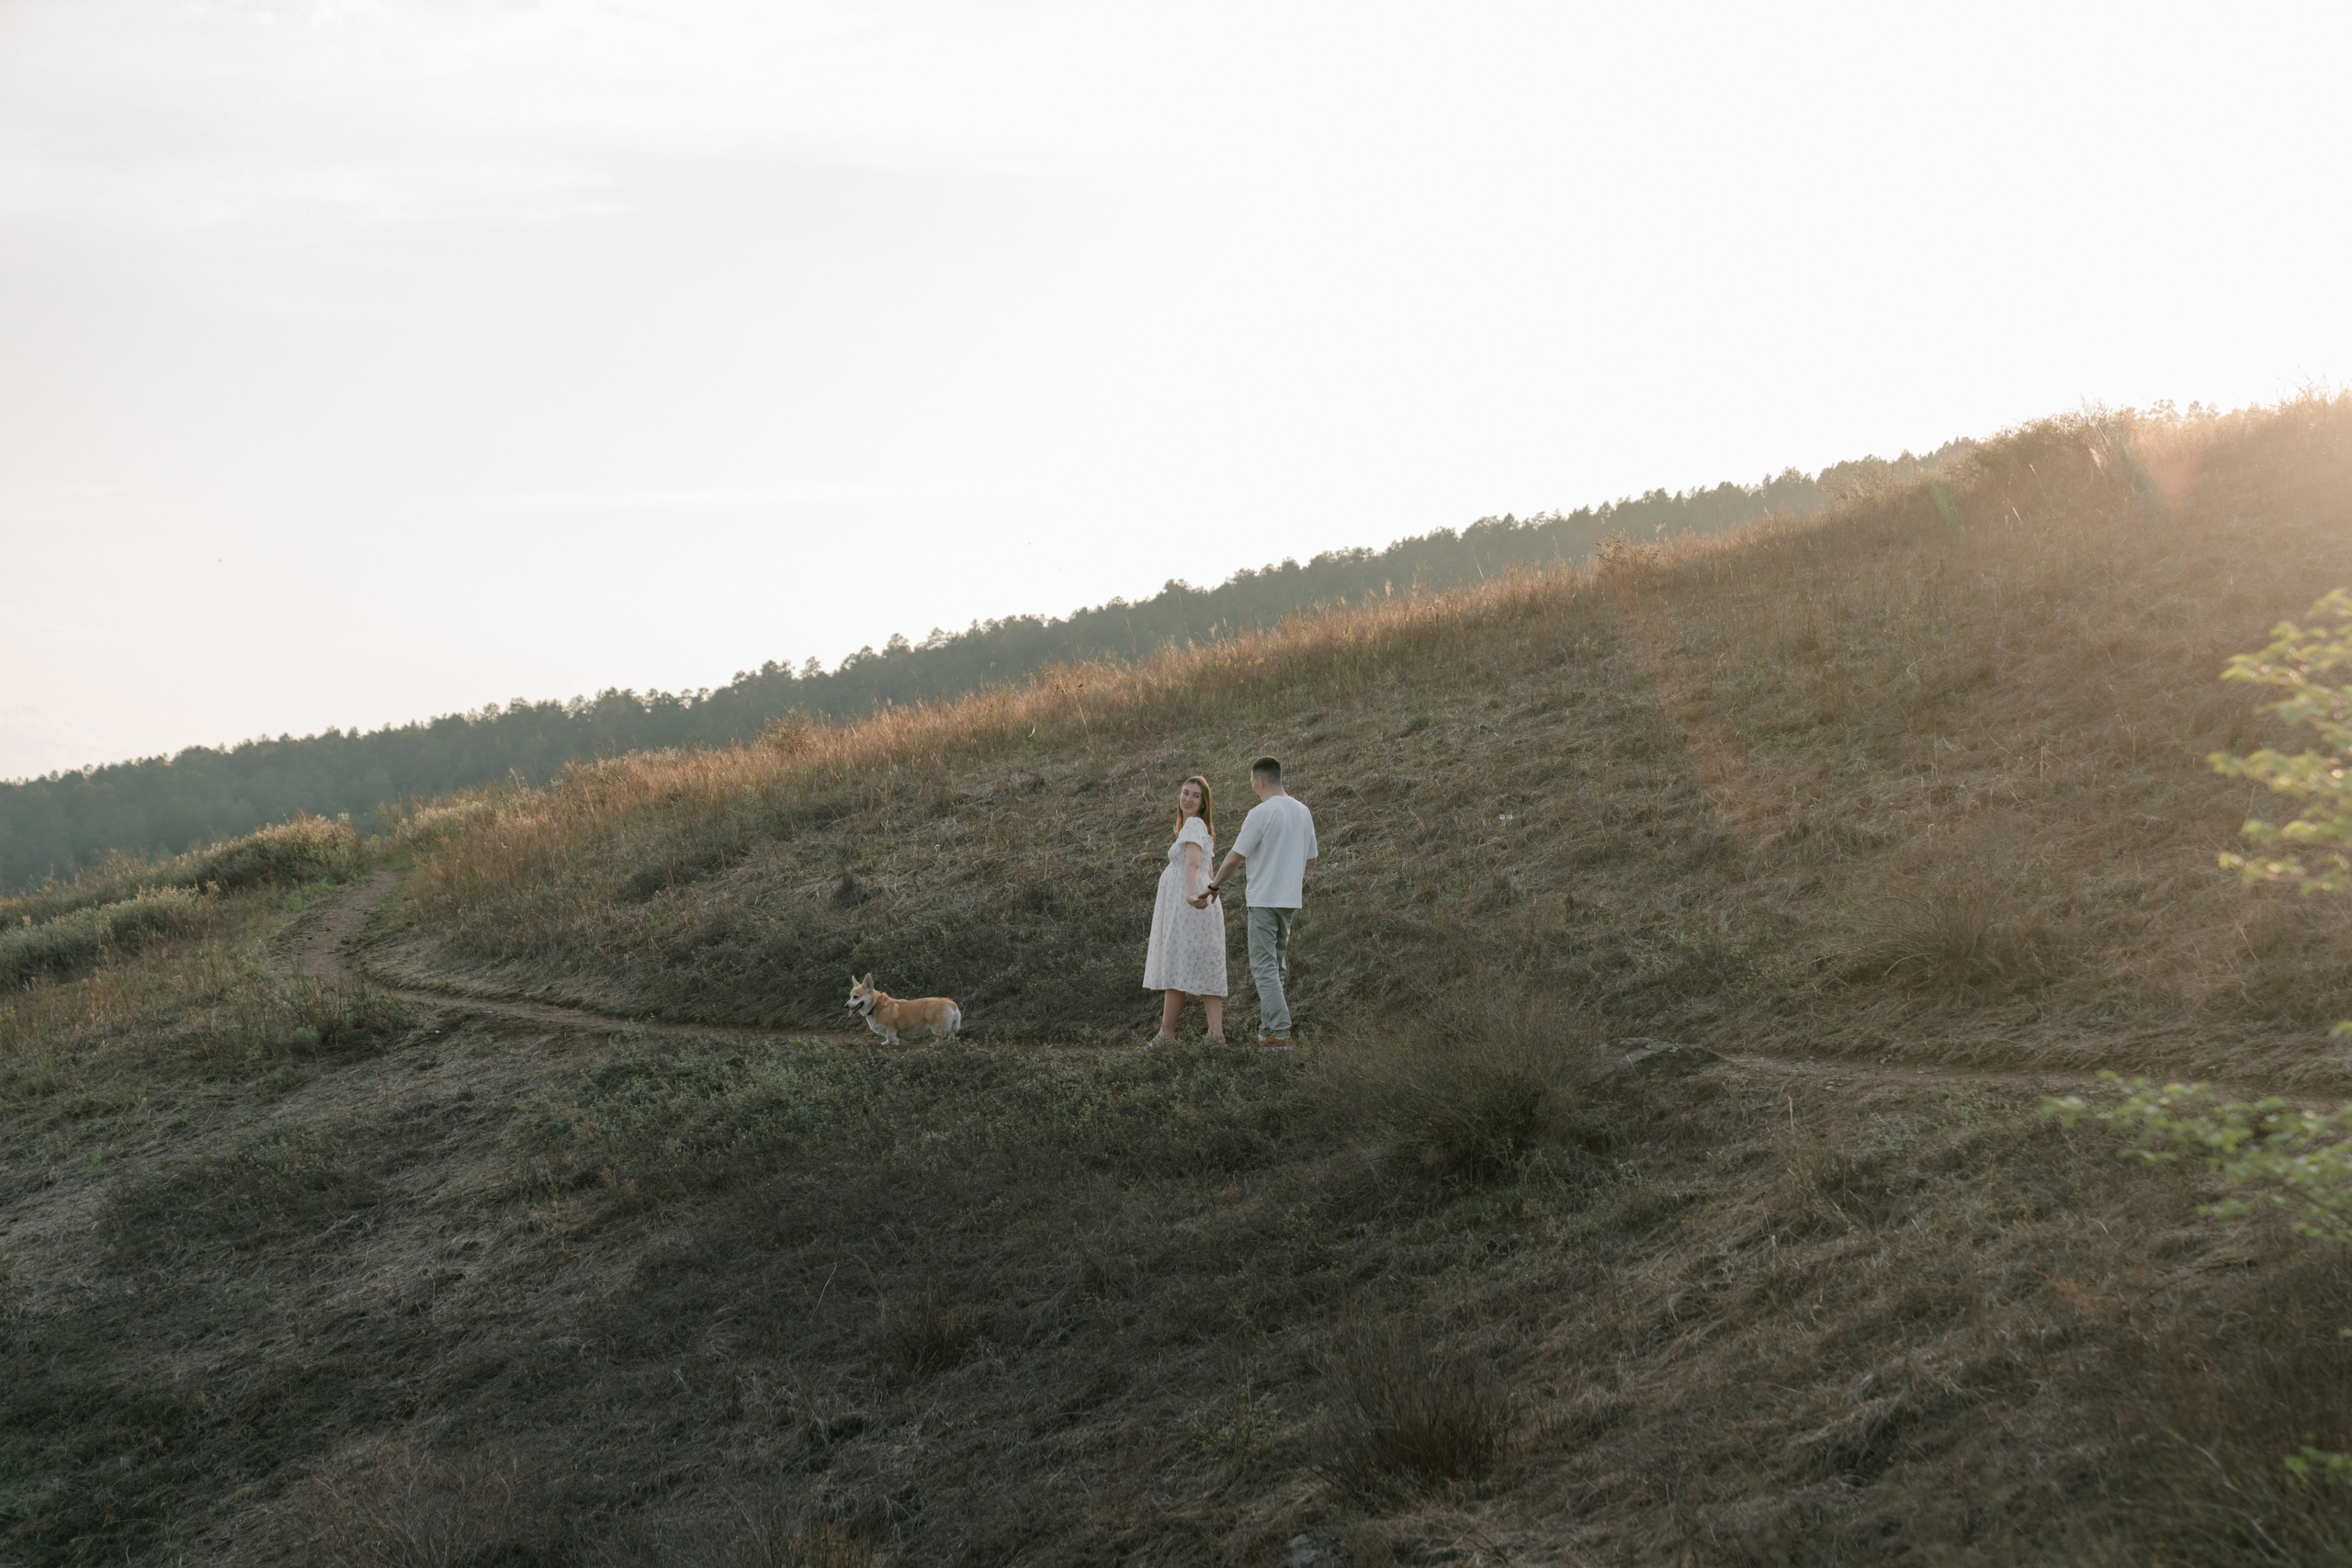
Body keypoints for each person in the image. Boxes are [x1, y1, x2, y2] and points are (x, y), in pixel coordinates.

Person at [1198, 756, 1317, 1045]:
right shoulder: (1303, 811)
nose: (1252, 787)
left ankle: (1280, 1033)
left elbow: (1234, 858)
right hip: (1289, 900)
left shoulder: (1260, 813)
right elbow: (1312, 859)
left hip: (1264, 899)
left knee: (1264, 967)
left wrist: (1213, 886)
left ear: (1260, 781)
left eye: (1252, 782)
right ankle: (1267, 1033)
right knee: (1275, 966)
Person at [1142, 773, 1227, 1043]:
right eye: (1184, 792)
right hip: (1199, 902)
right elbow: (1209, 869)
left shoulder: (1193, 826)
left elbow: (1192, 864)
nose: (1187, 799)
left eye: (1195, 795)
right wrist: (1207, 893)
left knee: (1178, 964)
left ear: (1203, 803)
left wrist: (1191, 895)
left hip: (1188, 904)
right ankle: (1214, 1035)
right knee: (1203, 965)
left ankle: (1167, 1034)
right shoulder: (1202, 827)